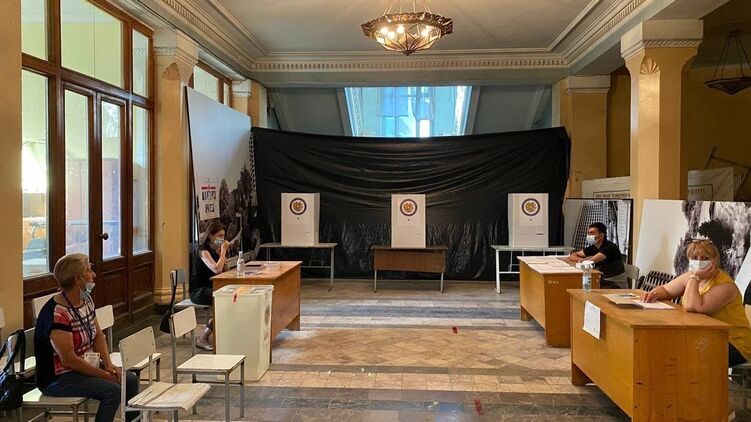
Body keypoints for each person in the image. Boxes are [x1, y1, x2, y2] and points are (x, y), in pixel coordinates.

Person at [35, 254, 139, 422]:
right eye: (89, 271)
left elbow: (98, 335)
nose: (94, 275)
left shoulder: (86, 299)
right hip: (59, 378)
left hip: (84, 366)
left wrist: (109, 365)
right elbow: (69, 360)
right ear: (78, 279)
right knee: (112, 391)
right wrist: (104, 375)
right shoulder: (57, 313)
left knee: (130, 380)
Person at [643, 239, 751, 367]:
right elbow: (666, 290)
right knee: (664, 345)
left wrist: (695, 277)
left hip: (734, 343)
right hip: (705, 335)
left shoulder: (725, 286)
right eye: (694, 257)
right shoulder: (692, 276)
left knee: (683, 354)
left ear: (714, 260)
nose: (699, 261)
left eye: (705, 258)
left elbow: (693, 307)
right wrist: (654, 294)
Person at [190, 221, 229, 351]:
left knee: (230, 300)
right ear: (211, 236)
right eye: (219, 236)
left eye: (223, 236)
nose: (222, 239)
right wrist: (223, 251)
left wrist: (221, 255)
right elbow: (217, 270)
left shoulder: (214, 250)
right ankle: (203, 337)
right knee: (225, 302)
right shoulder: (203, 251)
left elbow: (224, 270)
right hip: (199, 291)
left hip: (212, 288)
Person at [568, 222, 627, 289]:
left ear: (601, 235)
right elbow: (572, 255)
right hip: (602, 280)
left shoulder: (609, 247)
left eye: (592, 233)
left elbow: (589, 262)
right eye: (588, 233)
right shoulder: (594, 247)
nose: (589, 235)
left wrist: (586, 260)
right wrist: (582, 259)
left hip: (615, 283)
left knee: (587, 288)